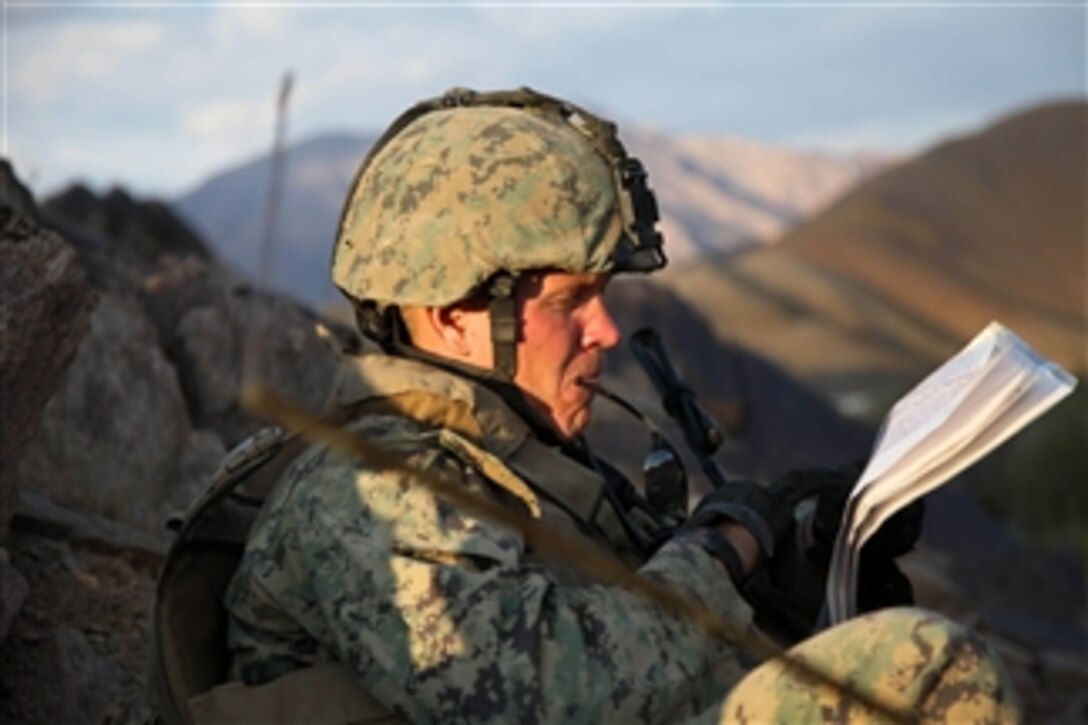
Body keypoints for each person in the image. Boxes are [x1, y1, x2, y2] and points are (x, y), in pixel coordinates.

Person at [211, 87, 1018, 723]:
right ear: (451, 315)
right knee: (928, 667)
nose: (604, 328)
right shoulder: (370, 491)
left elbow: (628, 642)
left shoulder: (508, 458)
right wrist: (727, 547)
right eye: (573, 300)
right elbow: (554, 696)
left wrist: (797, 567)